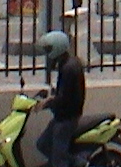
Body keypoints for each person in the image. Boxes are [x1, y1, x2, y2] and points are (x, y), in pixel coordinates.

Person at [34, 30, 86, 167]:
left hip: (67, 119)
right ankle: (75, 161)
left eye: (49, 49)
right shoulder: (68, 64)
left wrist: (47, 103)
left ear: (57, 48)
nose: (48, 53)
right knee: (43, 144)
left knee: (59, 160)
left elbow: (64, 98)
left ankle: (74, 162)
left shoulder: (69, 68)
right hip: (62, 116)